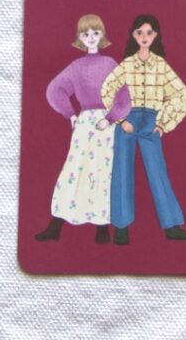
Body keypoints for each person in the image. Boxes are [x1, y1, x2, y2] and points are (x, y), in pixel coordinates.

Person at [35, 14, 131, 245]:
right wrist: (70, 113)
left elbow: (125, 97)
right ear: (79, 37)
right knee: (75, 168)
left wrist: (110, 118)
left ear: (102, 34)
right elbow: (54, 90)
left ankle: (102, 226)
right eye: (85, 34)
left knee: (103, 172)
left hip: (105, 125)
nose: (91, 37)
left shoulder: (110, 64)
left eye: (95, 32)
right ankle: (56, 224)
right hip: (85, 123)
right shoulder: (76, 67)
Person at [101, 13, 186, 245]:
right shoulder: (126, 65)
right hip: (128, 120)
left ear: (155, 36)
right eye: (139, 32)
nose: (144, 36)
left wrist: (163, 124)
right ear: (133, 35)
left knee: (157, 171)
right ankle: (121, 227)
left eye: (149, 32)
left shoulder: (161, 65)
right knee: (122, 169)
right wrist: (121, 120)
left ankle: (172, 225)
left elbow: (182, 96)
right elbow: (107, 89)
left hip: (151, 121)